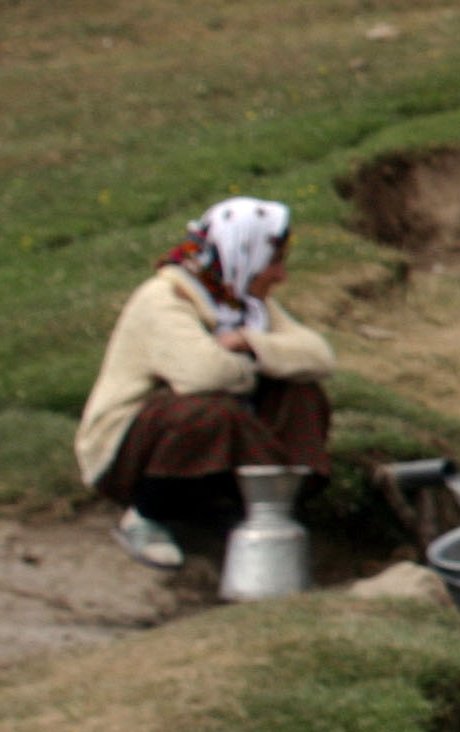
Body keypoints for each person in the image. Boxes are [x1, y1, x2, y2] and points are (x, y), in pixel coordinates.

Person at [77, 197, 335, 569]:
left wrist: (249, 342)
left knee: (302, 393)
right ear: (243, 254)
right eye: (274, 263)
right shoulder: (164, 299)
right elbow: (203, 374)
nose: (281, 276)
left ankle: (261, 508)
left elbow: (318, 357)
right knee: (208, 411)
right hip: (124, 457)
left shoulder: (241, 302)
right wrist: (260, 366)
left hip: (209, 445)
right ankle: (146, 517)